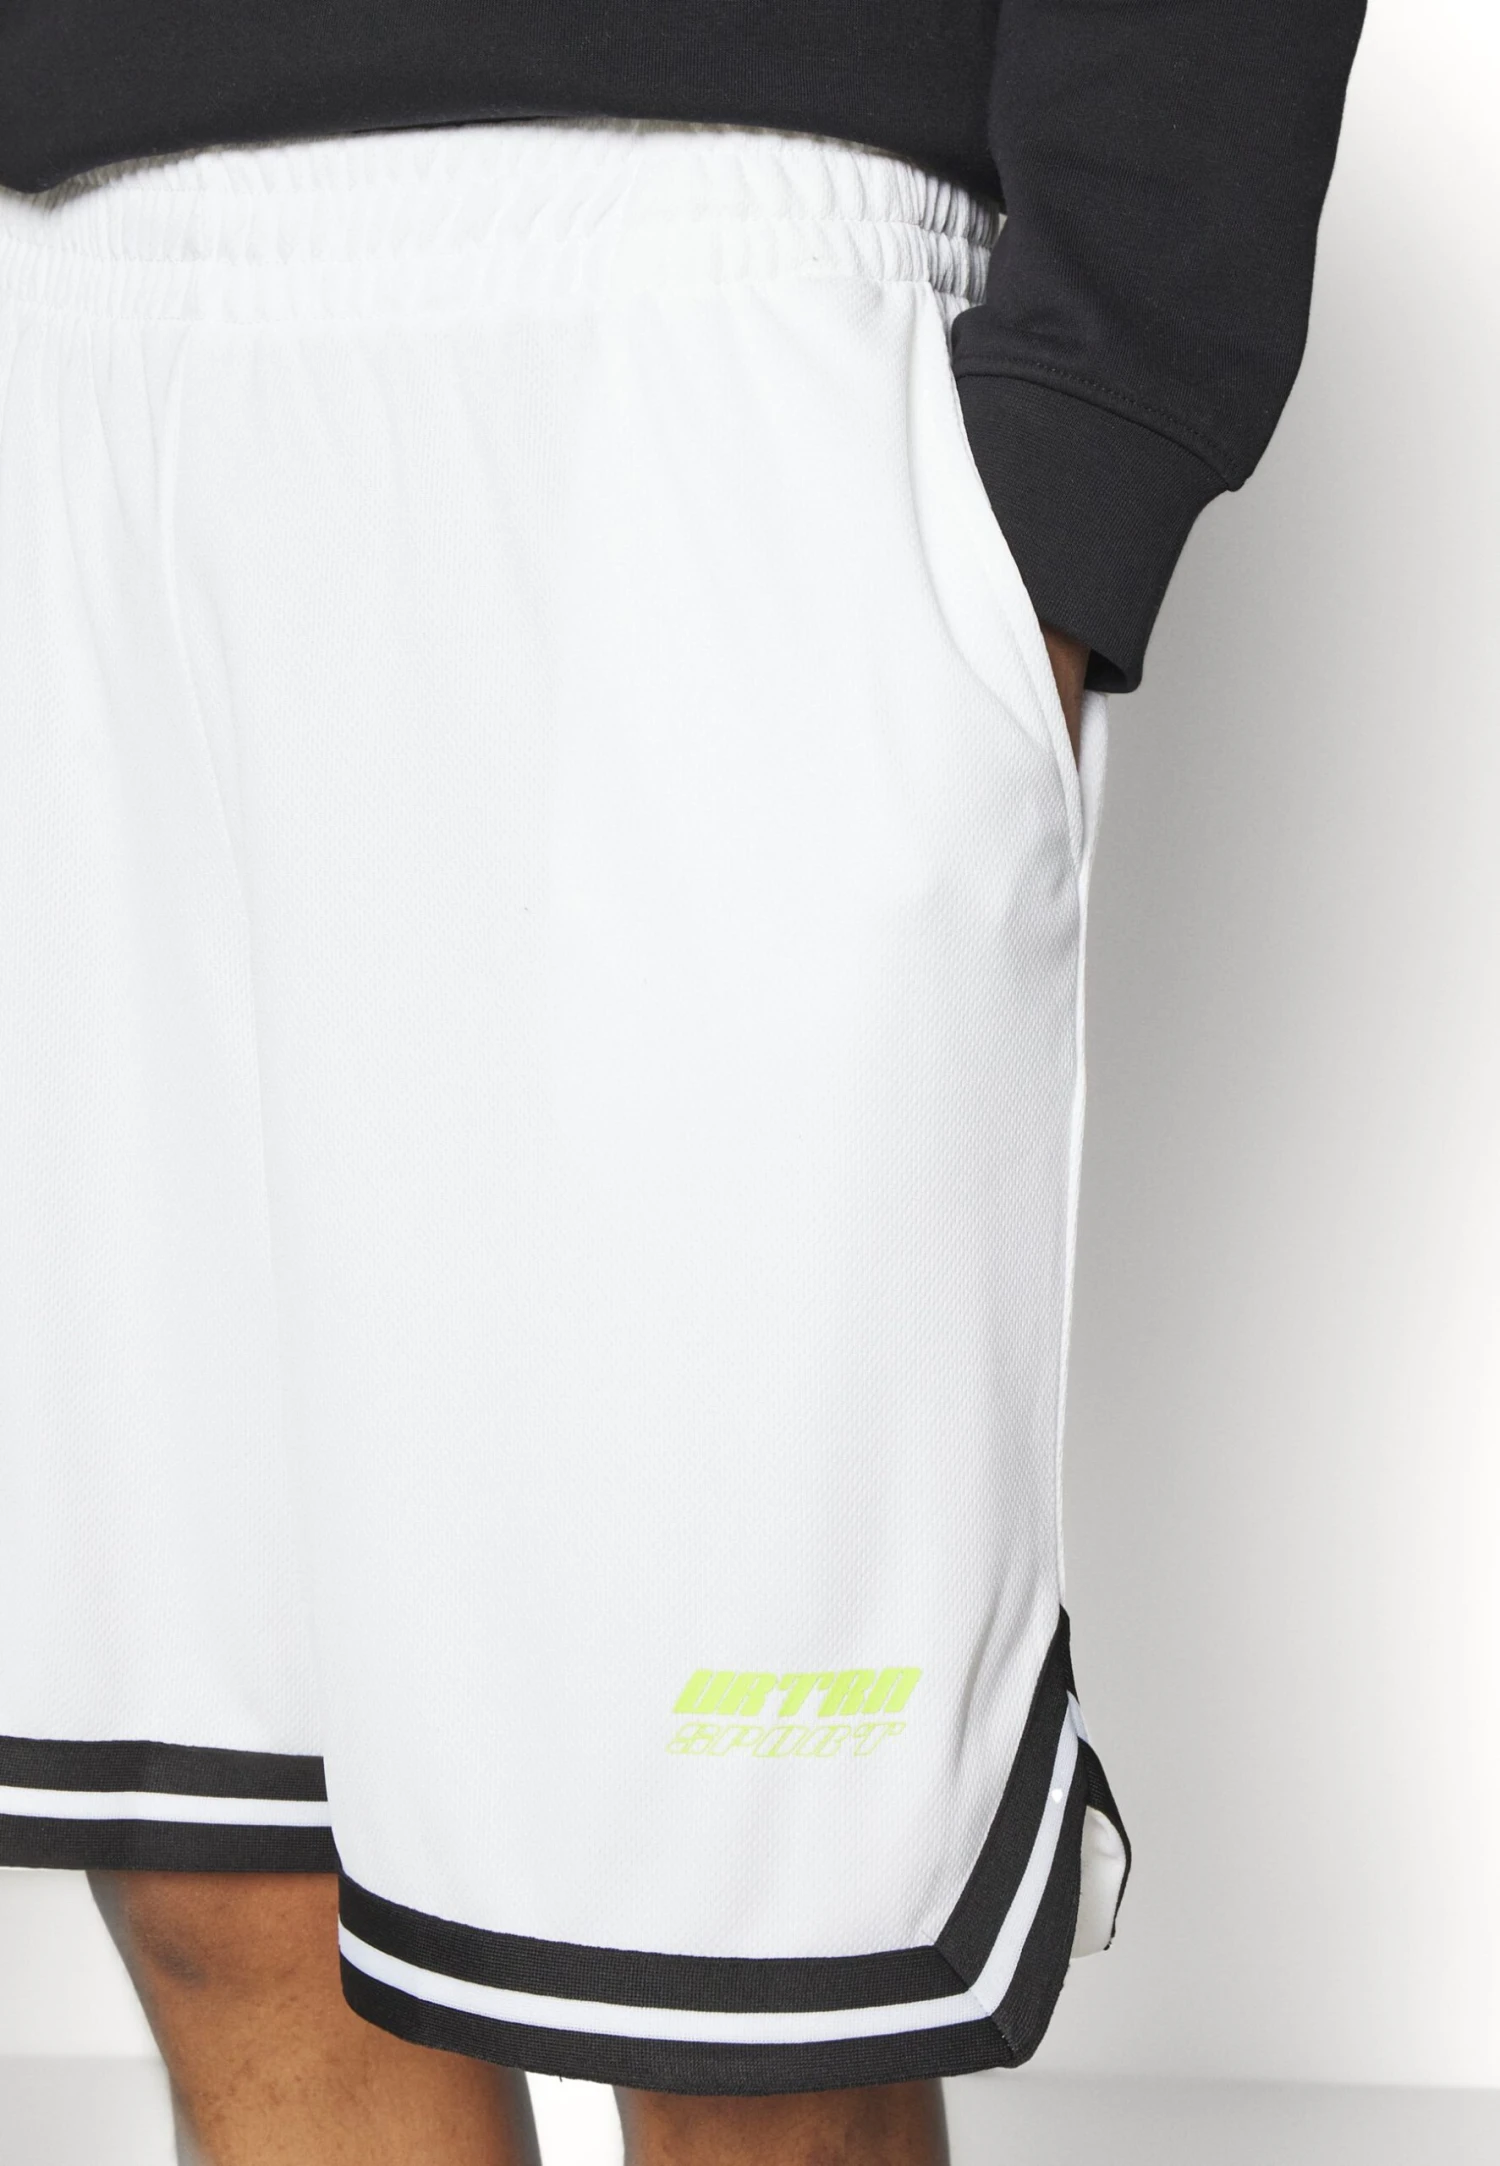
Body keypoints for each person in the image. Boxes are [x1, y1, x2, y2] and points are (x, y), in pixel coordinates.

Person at [0, 6, 1365, 2162]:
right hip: (79, 329)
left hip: (709, 304)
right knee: (222, 1881)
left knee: (744, 1971)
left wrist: (1087, 445)